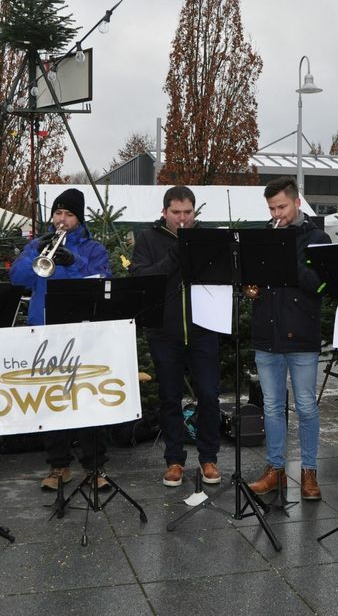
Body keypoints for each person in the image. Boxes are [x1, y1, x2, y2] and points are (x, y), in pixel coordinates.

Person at [8, 188, 112, 490]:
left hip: (81, 331)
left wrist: (72, 260)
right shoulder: (37, 245)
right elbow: (19, 279)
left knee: (88, 398)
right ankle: (58, 465)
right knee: (52, 401)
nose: (62, 220)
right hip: (45, 330)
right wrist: (35, 253)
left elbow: (102, 282)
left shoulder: (93, 249)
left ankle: (95, 467)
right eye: (58, 213)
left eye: (68, 214)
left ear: (78, 218)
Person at [130, 186, 221, 487]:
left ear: (195, 212)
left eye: (188, 213)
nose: (183, 218)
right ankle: (174, 460)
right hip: (164, 332)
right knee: (169, 398)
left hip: (203, 330)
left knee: (208, 394)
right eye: (176, 213)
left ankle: (208, 458)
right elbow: (141, 278)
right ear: (164, 212)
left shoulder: (206, 238)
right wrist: (174, 256)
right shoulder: (148, 239)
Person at [247, 177, 331, 501]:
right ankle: (275, 469)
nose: (276, 214)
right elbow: (251, 280)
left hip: (302, 334)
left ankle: (309, 472)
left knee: (307, 406)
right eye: (271, 208)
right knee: (271, 406)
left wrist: (288, 262)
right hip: (266, 333)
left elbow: (321, 286)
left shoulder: (317, 238)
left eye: (281, 206)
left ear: (297, 203)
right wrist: (249, 286)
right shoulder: (264, 236)